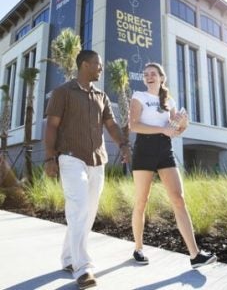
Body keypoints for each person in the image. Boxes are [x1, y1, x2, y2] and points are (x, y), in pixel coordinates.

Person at [44, 50, 130, 289]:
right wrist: (50, 158)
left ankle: (68, 257)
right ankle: (83, 268)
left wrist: (123, 144)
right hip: (70, 157)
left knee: (87, 211)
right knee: (79, 206)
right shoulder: (62, 93)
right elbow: (51, 126)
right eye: (97, 64)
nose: (100, 68)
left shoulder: (101, 96)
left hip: (97, 160)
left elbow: (110, 124)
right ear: (84, 65)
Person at [129, 62, 217, 268]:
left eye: (153, 74)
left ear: (162, 77)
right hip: (144, 150)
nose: (149, 76)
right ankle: (138, 248)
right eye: (146, 74)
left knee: (178, 199)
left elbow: (175, 131)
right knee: (142, 201)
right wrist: (163, 130)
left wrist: (182, 123)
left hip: (165, 150)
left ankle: (195, 255)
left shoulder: (169, 101)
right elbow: (134, 125)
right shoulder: (139, 97)